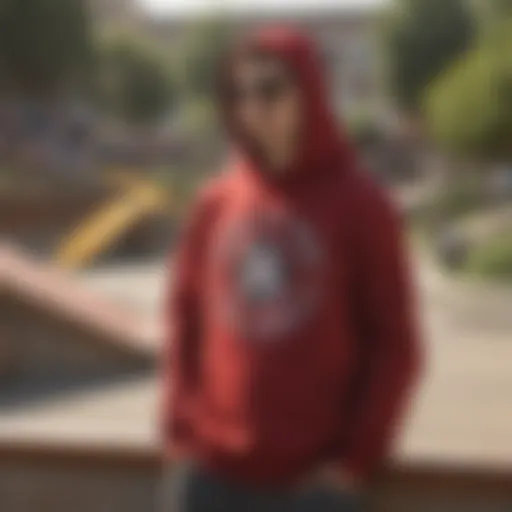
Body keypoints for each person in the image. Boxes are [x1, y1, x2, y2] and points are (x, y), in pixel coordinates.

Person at [161, 26, 421, 512]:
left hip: (314, 486)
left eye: (270, 89)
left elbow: (396, 344)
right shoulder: (216, 202)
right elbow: (185, 318)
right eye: (238, 93)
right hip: (212, 475)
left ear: (311, 91)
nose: (252, 108)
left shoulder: (362, 204)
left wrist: (353, 459)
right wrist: (181, 430)